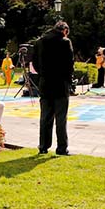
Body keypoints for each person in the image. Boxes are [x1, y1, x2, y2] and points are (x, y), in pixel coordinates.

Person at [33, 21, 74, 156]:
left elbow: (35, 63)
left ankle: (43, 146)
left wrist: (43, 74)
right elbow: (69, 64)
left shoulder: (39, 42)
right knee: (61, 118)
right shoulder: (65, 42)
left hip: (45, 83)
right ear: (65, 31)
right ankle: (61, 148)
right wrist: (69, 82)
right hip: (60, 84)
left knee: (45, 117)